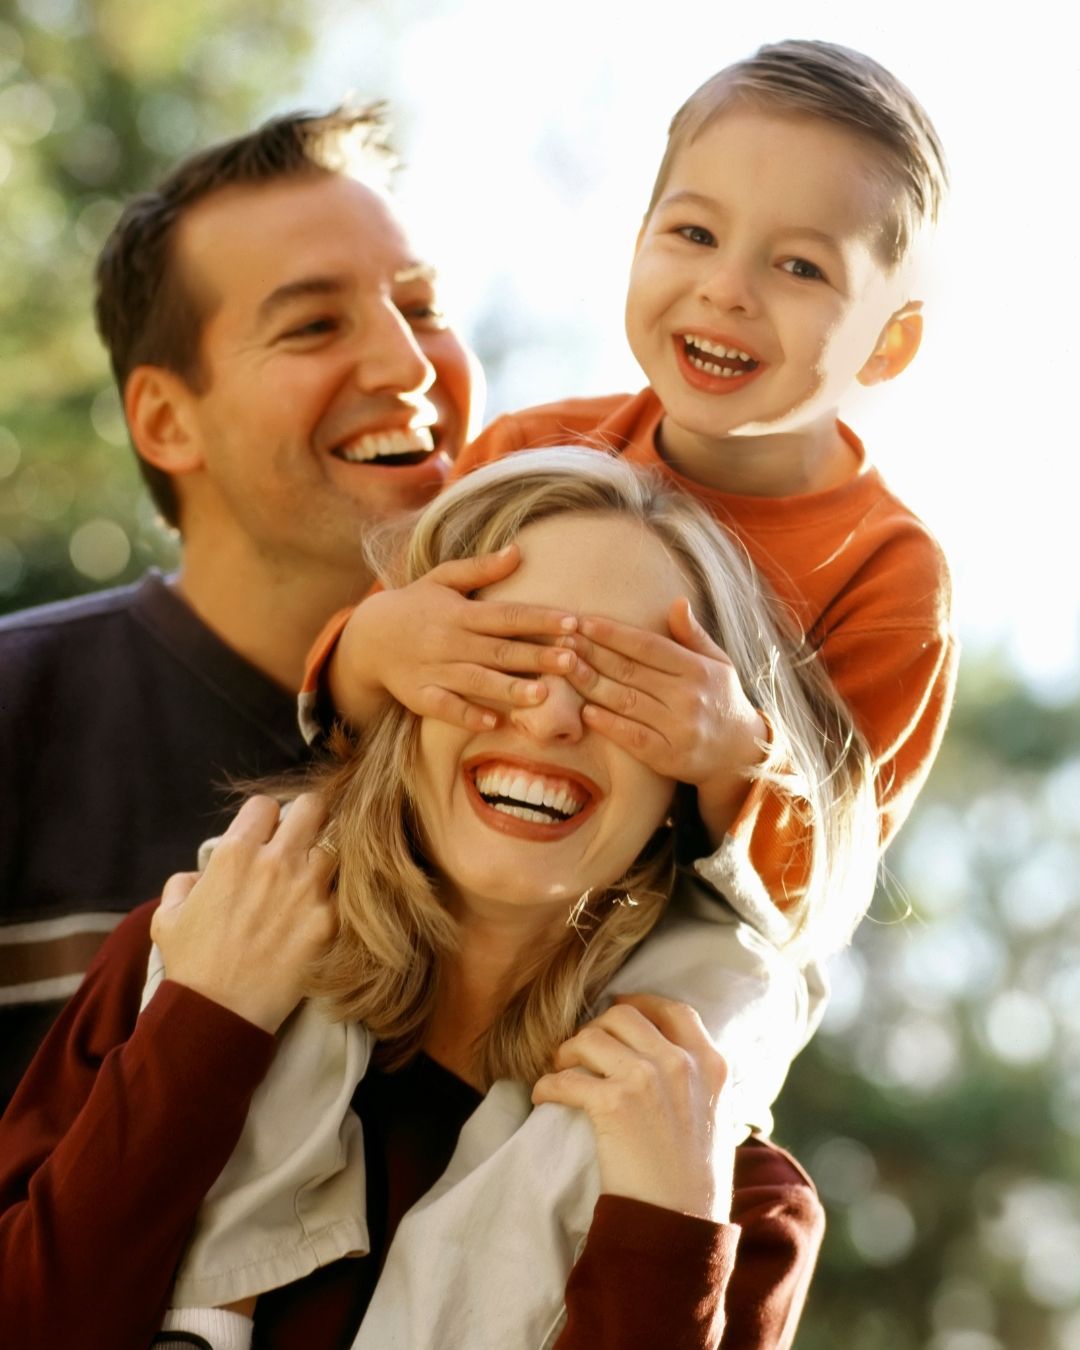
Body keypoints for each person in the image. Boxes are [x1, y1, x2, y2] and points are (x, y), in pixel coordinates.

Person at [0, 450, 867, 1349]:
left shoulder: (730, 1199)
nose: (550, 717)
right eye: (500, 658)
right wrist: (201, 1030)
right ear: (399, 697)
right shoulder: (185, 965)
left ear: (689, 792)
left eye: (626, 689)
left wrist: (663, 1241)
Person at [310, 39, 957, 935]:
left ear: (888, 345)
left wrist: (733, 755)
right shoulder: (531, 451)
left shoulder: (890, 573)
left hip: (683, 942)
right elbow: (352, 718)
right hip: (452, 890)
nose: (726, 289)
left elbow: (827, 887)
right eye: (695, 235)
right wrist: (372, 649)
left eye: (801, 267)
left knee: (727, 990)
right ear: (639, 240)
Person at [0, 104, 490, 1108]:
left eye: (424, 308)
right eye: (313, 325)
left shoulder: (538, 734)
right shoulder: (16, 712)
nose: (408, 365)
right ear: (166, 420)